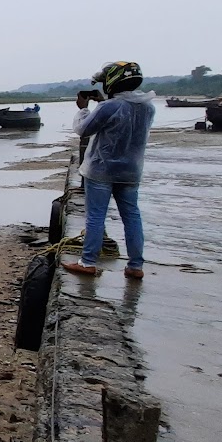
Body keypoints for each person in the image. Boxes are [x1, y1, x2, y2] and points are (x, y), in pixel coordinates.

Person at [64, 61, 155, 281]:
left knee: (95, 216)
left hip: (102, 171)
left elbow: (83, 129)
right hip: (131, 171)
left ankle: (87, 262)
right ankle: (135, 265)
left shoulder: (109, 107)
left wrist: (84, 108)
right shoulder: (148, 106)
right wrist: (103, 103)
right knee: (132, 216)